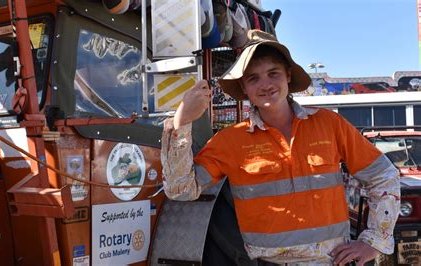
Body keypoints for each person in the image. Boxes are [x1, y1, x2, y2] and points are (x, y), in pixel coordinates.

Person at [160, 30, 400, 265]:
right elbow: (181, 190)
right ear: (244, 87)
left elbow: (383, 176)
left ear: (287, 75)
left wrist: (375, 242)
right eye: (253, 78)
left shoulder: (329, 124)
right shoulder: (230, 141)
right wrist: (182, 123)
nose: (265, 84)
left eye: (272, 73)